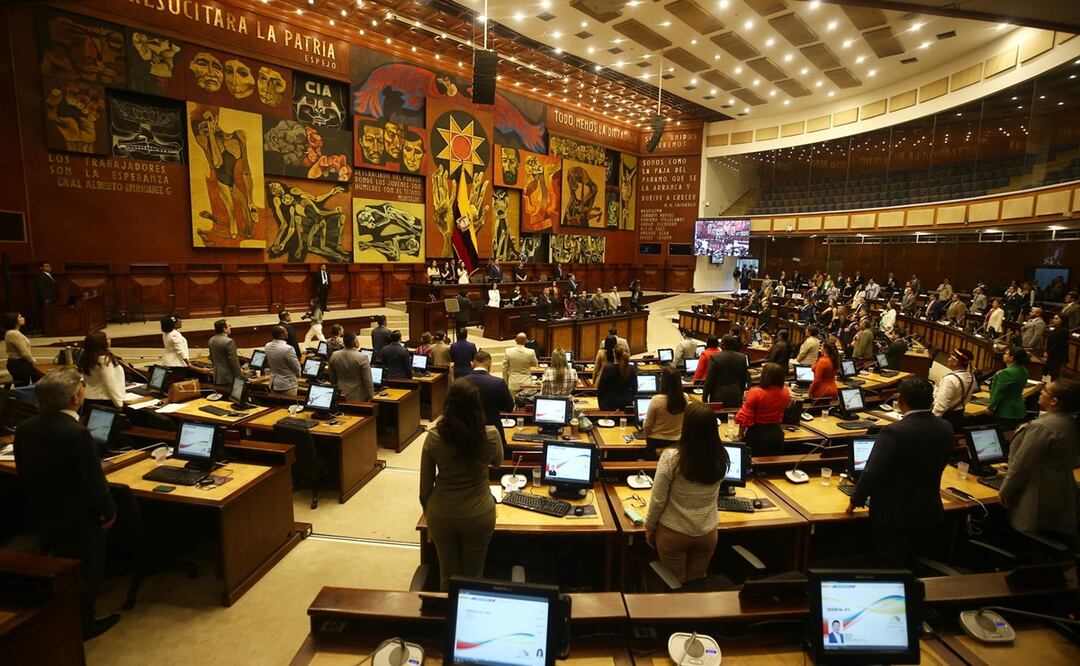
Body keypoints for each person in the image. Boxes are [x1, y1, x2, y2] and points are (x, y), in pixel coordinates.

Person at [14, 368, 119, 639]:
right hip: (79, 518)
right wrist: (108, 512)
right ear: (75, 398)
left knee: (59, 560)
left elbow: (23, 470)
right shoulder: (75, 432)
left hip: (43, 511)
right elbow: (93, 480)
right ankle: (84, 625)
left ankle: (63, 615)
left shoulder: (25, 427)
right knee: (88, 574)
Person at [846, 377, 953, 567]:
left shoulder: (894, 432)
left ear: (901, 400)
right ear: (932, 400)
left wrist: (856, 499)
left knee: (890, 561)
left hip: (894, 513)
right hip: (929, 508)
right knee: (913, 558)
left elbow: (873, 472)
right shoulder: (946, 427)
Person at [418, 378, 503, 590]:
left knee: (447, 576)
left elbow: (424, 489)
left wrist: (430, 515)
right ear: (477, 405)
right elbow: (498, 462)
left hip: (442, 512)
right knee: (474, 576)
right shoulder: (490, 435)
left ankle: (446, 618)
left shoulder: (434, 437)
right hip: (479, 513)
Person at [644, 401, 729, 583]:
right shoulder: (721, 457)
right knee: (698, 583)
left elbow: (658, 499)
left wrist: (649, 526)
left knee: (677, 587)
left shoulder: (671, 458)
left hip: (674, 532)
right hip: (707, 532)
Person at [997, 380, 1079, 539]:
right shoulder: (1070, 422)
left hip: (1035, 497)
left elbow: (1022, 464)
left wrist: (1005, 491)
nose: (1041, 392)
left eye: (1045, 391)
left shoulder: (1042, 427)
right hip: (1060, 494)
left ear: (1054, 401)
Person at [464, 351, 514, 443]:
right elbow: (509, 408)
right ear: (490, 364)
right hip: (493, 432)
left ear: (472, 364)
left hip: (467, 432)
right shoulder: (498, 383)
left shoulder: (461, 382)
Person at [643, 365, 687, 459]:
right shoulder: (685, 398)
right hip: (677, 443)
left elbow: (647, 425)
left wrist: (646, 437)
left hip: (656, 443)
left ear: (663, 381)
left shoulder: (656, 400)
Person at [931, 349, 976, 433]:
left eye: (950, 357)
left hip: (945, 419)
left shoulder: (950, 379)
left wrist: (931, 423)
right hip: (959, 416)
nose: (948, 359)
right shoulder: (971, 377)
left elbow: (940, 406)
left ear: (956, 362)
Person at [77, 331, 125, 409]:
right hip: (104, 401)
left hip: (88, 398)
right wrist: (119, 403)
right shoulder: (104, 360)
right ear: (101, 343)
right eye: (107, 339)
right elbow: (110, 383)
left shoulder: (87, 357)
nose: (110, 340)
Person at [988, 346, 1029, 431]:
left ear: (1011, 358)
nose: (1003, 355)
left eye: (1006, 353)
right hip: (1018, 410)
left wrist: (990, 407)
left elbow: (999, 393)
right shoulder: (1024, 370)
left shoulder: (1007, 373)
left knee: (1002, 437)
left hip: (1005, 411)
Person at [702, 335, 749, 408]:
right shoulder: (742, 358)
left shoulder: (715, 357)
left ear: (722, 344)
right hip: (736, 395)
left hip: (718, 396)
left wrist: (704, 399)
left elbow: (709, 381)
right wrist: (740, 392)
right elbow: (744, 379)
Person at [329, 331, 375, 402]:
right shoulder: (362, 357)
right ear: (355, 342)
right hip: (358, 396)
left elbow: (332, 376)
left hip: (339, 393)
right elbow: (367, 380)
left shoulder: (334, 355)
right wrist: (371, 396)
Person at [596, 344, 636, 410]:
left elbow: (601, 390)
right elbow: (634, 390)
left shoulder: (607, 369)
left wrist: (601, 406)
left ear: (614, 354)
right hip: (626, 405)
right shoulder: (632, 369)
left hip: (608, 405)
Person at [266, 325, 301, 395]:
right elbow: (296, 367)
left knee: (275, 405)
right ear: (281, 335)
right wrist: (298, 375)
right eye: (285, 331)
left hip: (273, 383)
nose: (287, 333)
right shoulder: (288, 349)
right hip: (287, 384)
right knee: (290, 405)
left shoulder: (267, 346)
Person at [4, 312, 36, 386]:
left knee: (25, 383)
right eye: (20, 317)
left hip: (19, 362)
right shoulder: (13, 333)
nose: (23, 318)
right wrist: (33, 361)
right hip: (18, 363)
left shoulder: (15, 332)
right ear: (14, 320)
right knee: (22, 386)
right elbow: (24, 352)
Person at [208, 319, 243, 387]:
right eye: (229, 326)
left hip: (216, 376)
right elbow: (233, 361)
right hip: (228, 377)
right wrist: (240, 377)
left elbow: (211, 357)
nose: (230, 327)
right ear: (224, 329)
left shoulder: (211, 340)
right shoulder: (229, 341)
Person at [1044, 314, 1069, 381]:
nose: (1054, 320)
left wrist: (1048, 352)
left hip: (1057, 355)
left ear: (1062, 320)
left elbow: (1058, 344)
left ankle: (1054, 387)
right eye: (1054, 318)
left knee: (1054, 372)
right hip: (1053, 354)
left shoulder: (1064, 331)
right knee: (1050, 371)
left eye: (1056, 318)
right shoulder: (1057, 329)